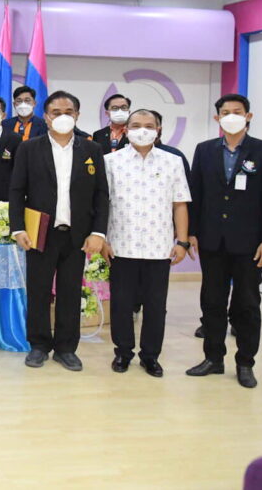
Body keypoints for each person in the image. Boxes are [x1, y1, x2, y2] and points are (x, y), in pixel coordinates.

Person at [186, 93, 262, 388]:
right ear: (217, 118)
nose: (231, 116)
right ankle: (213, 358)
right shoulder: (204, 150)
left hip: (250, 244)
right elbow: (196, 194)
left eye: (237, 111)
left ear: (248, 116)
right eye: (225, 112)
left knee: (247, 304)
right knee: (212, 302)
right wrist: (191, 232)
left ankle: (245, 363)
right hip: (212, 241)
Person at [9, 90, 109, 372]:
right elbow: (16, 191)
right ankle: (39, 345)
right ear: (46, 116)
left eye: (68, 112)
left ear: (77, 115)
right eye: (56, 112)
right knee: (39, 291)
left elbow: (101, 194)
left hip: (77, 235)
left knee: (70, 292)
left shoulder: (92, 149)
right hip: (40, 232)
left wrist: (98, 233)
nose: (63, 117)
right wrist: (18, 228)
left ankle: (66, 348)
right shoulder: (29, 148)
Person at [103, 109, 191, 378]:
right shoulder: (110, 161)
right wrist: (103, 239)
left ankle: (150, 356)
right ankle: (123, 352)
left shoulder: (172, 161)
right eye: (136, 125)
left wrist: (182, 242)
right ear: (126, 130)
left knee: (156, 306)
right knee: (121, 304)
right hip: (121, 245)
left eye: (149, 126)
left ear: (158, 130)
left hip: (159, 247)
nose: (143, 130)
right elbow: (102, 204)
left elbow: (180, 204)